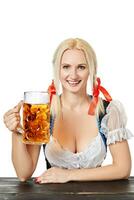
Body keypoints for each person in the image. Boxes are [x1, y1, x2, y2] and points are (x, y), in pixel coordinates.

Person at [3, 38, 133, 184]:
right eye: (66, 67)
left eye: (81, 67)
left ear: (91, 70)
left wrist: (68, 175)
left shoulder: (108, 111)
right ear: (57, 70)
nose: (73, 75)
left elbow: (123, 168)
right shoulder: (43, 111)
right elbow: (23, 173)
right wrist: (16, 131)